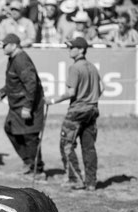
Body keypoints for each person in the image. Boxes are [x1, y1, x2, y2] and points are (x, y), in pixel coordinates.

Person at [45, 37, 102, 191]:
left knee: (66, 145)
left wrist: (53, 100)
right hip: (92, 110)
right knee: (89, 147)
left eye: (72, 47)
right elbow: (101, 88)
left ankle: (74, 179)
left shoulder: (75, 68)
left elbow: (71, 92)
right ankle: (91, 182)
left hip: (77, 111)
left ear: (81, 49)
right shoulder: (92, 67)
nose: (69, 50)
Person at [0, 33, 46, 180]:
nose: (2, 47)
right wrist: (2, 93)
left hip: (27, 105)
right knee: (10, 129)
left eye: (4, 45)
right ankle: (28, 162)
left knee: (30, 136)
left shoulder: (21, 60)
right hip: (16, 105)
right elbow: (14, 82)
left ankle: (38, 170)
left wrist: (28, 107)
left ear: (14, 45)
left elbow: (31, 84)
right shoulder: (13, 59)